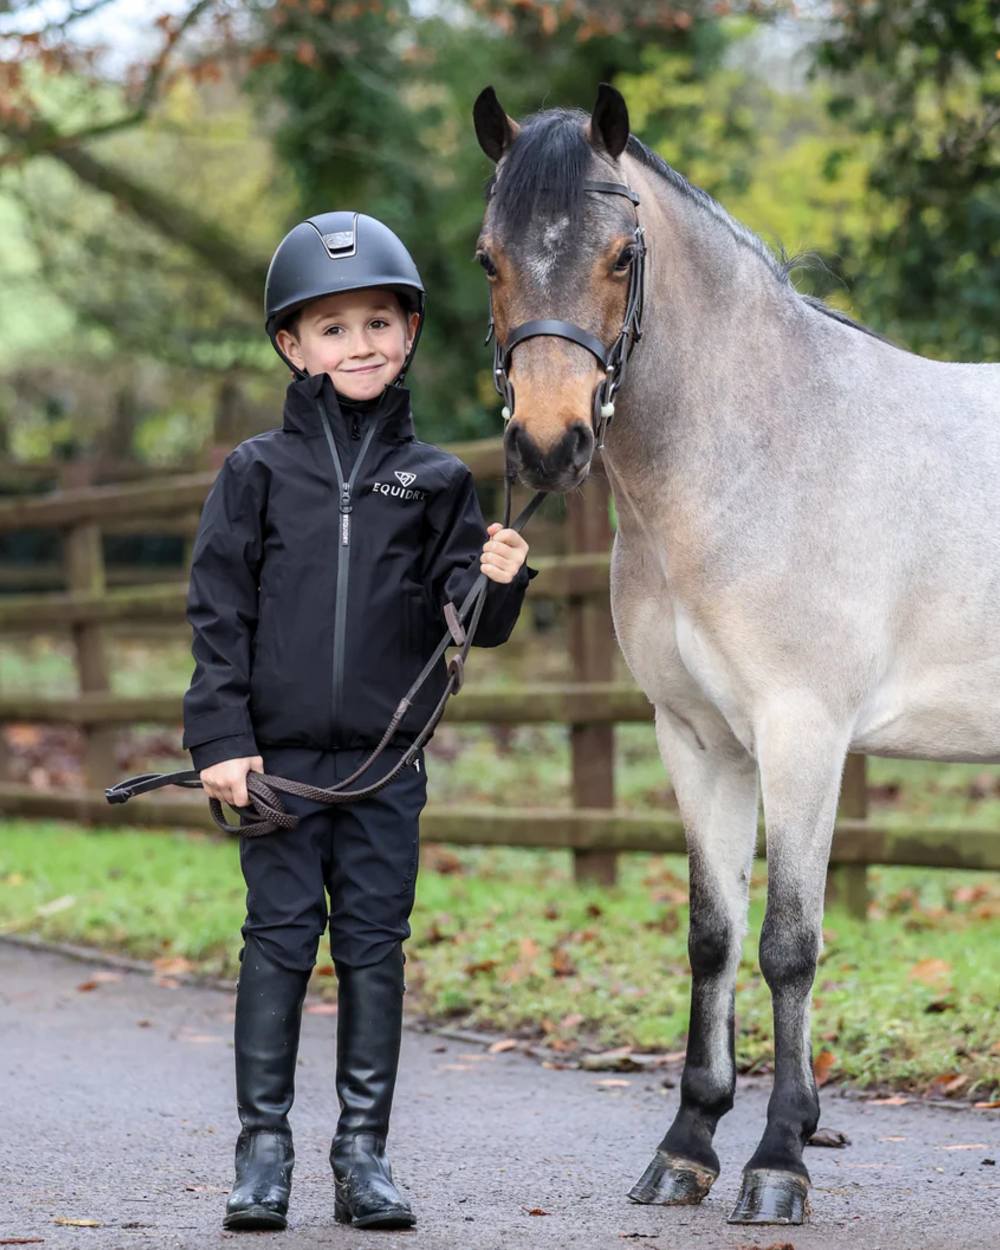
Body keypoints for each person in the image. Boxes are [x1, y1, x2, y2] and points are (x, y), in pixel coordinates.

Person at [181, 211, 534, 1232]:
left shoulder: (436, 482)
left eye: (378, 320)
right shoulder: (255, 472)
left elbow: (469, 620)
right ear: (293, 346)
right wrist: (220, 739)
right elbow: (218, 614)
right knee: (278, 942)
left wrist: (499, 580)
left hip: (385, 764)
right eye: (333, 328)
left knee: (375, 947)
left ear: (410, 331)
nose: (360, 343)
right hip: (278, 763)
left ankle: (363, 1151)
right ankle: (263, 1148)